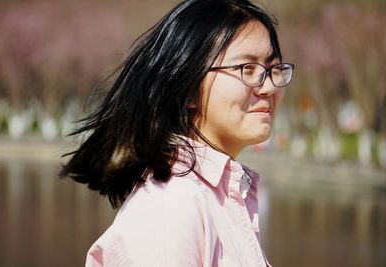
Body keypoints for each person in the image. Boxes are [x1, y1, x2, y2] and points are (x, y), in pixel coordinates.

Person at [61, 0, 294, 266]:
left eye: (274, 69)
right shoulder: (171, 206)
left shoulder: (221, 200)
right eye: (247, 69)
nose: (268, 88)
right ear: (189, 88)